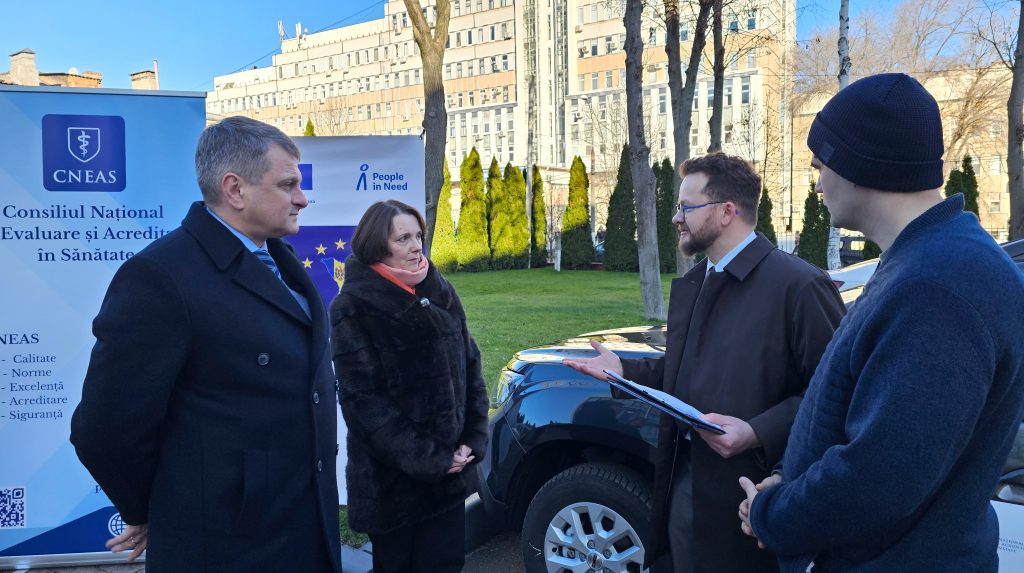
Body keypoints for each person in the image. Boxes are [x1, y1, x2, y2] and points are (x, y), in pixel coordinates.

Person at [739, 73, 1024, 572]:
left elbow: (880, 477)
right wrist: (789, 479)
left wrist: (772, 515)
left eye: (820, 163)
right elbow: (858, 415)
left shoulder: (939, 286)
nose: (816, 179)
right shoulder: (928, 260)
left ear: (857, 164)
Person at [70, 116, 341, 572]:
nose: (302, 198)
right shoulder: (161, 276)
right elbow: (106, 426)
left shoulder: (279, 258)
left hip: (303, 528)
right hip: (226, 545)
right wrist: (150, 508)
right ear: (235, 189)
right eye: (288, 185)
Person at [564, 152, 845, 573]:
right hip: (686, 490)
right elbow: (686, 371)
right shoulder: (699, 281)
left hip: (757, 502)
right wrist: (624, 371)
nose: (676, 218)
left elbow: (837, 397)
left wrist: (756, 432)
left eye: (686, 207)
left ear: (727, 211)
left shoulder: (800, 286)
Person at [330, 200, 489, 573]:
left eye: (418, 236)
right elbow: (365, 406)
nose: (417, 246)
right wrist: (434, 459)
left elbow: (471, 366)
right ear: (377, 246)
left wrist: (472, 438)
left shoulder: (440, 290)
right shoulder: (353, 307)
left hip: (450, 480)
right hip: (394, 490)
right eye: (403, 238)